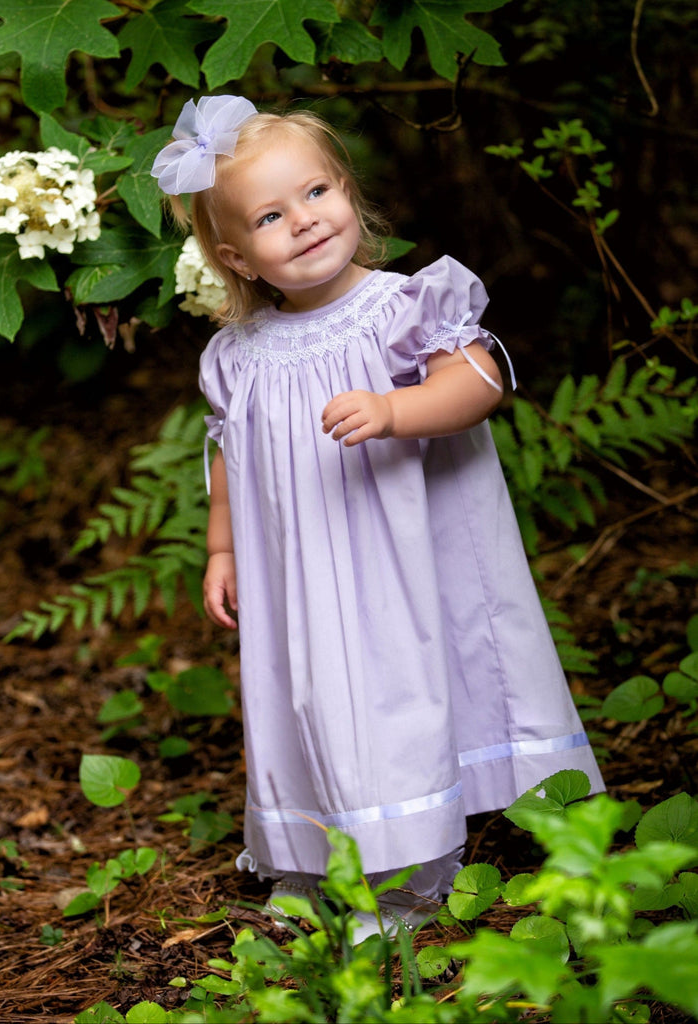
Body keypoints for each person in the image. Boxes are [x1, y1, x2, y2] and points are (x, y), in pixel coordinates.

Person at [151, 95, 605, 939]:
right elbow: (228, 449)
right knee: (302, 698)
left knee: (395, 693)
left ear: (349, 190)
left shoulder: (404, 305)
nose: (305, 222)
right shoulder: (238, 355)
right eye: (271, 216)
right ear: (237, 256)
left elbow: (480, 382)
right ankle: (308, 855)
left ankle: (411, 873)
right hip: (300, 573)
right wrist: (222, 547)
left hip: (396, 563)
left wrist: (401, 410)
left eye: (317, 193)